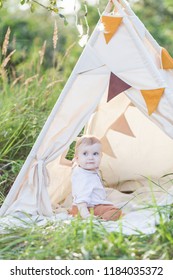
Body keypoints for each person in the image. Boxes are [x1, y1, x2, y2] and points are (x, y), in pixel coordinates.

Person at [68, 135, 123, 221]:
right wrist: (86, 215)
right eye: (85, 154)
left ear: (101, 156)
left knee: (110, 207)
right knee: (116, 212)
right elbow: (82, 197)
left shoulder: (81, 170)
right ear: (77, 158)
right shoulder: (84, 177)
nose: (90, 158)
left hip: (78, 207)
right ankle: (100, 220)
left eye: (95, 154)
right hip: (87, 207)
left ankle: (76, 213)